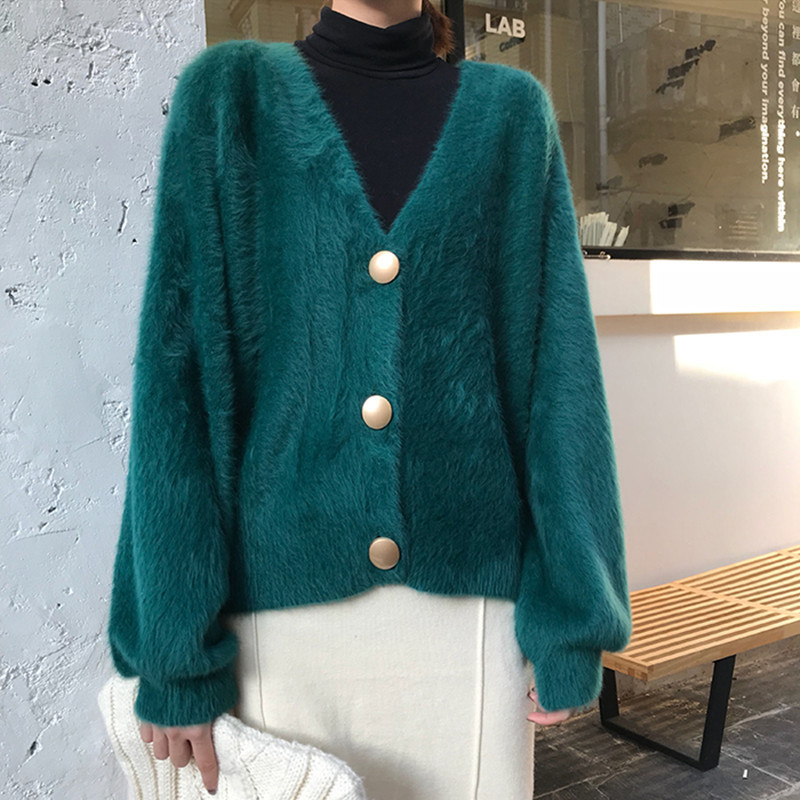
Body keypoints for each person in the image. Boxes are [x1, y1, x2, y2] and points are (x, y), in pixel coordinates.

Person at [106, 0, 633, 796]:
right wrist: (174, 654)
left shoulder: (511, 116)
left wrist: (572, 619)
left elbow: (558, 381)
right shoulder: (229, 97)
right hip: (276, 632)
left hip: (471, 622)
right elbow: (178, 383)